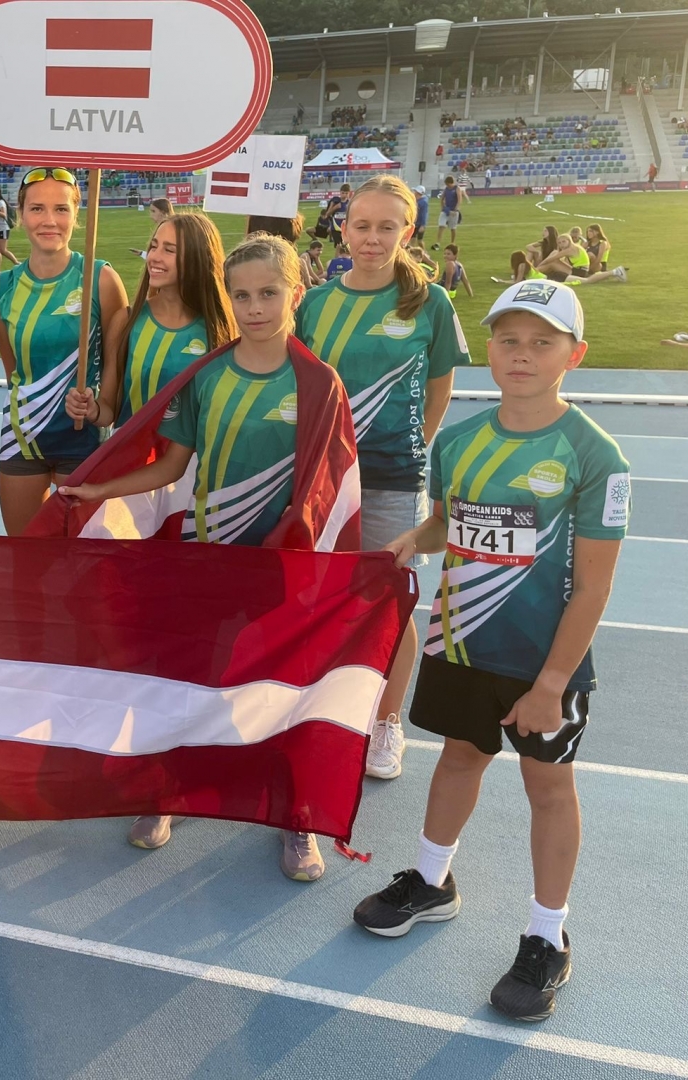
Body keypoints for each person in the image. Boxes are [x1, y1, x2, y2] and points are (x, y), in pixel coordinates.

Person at [354, 281, 629, 1024]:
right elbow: (448, 523)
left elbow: (594, 586)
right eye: (509, 340)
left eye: (542, 342)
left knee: (549, 788)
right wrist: (413, 539)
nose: (522, 355)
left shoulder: (595, 455)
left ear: (575, 355)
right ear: (491, 349)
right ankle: (432, 881)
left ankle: (547, 935)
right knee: (457, 759)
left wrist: (552, 684)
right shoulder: (457, 441)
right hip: (461, 644)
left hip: (544, 666)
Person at [59, 234, 354, 874]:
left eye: (268, 293)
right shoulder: (209, 377)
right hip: (208, 557)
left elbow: (328, 488)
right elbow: (171, 465)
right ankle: (167, 790)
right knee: (192, 677)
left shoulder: (319, 384)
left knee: (283, 687)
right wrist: (101, 488)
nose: (255, 308)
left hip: (280, 568)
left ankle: (294, 814)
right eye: (241, 296)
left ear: (296, 294)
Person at [296, 174, 470, 786]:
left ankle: (386, 721)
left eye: (386, 227)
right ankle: (321, 709)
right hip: (322, 481)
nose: (372, 238)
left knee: (390, 602)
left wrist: (417, 444)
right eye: (362, 225)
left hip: (394, 478)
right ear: (343, 228)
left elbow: (441, 386)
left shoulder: (430, 302)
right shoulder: (315, 304)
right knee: (322, 598)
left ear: (408, 230)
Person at [0, 166, 128, 536]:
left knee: (82, 559)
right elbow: (14, 369)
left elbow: (115, 366)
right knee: (26, 555)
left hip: (83, 438)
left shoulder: (101, 279)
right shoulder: (0, 290)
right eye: (37, 208)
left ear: (76, 214)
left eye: (61, 209)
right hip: (22, 438)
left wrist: (98, 409)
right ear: (20, 214)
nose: (49, 220)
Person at [69, 213, 233, 430]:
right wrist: (92, 409)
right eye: (154, 246)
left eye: (169, 250)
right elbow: (108, 410)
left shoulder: (219, 329)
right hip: (131, 450)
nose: (154, 256)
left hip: (192, 452)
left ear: (197, 259)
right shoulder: (127, 320)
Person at [434, 175, 467, 248]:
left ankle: (452, 243)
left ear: (450, 182)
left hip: (454, 211)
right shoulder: (446, 189)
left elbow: (459, 200)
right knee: (441, 225)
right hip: (446, 210)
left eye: (447, 184)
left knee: (453, 228)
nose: (447, 185)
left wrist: (455, 210)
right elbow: (442, 199)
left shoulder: (457, 188)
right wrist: (443, 208)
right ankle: (437, 243)